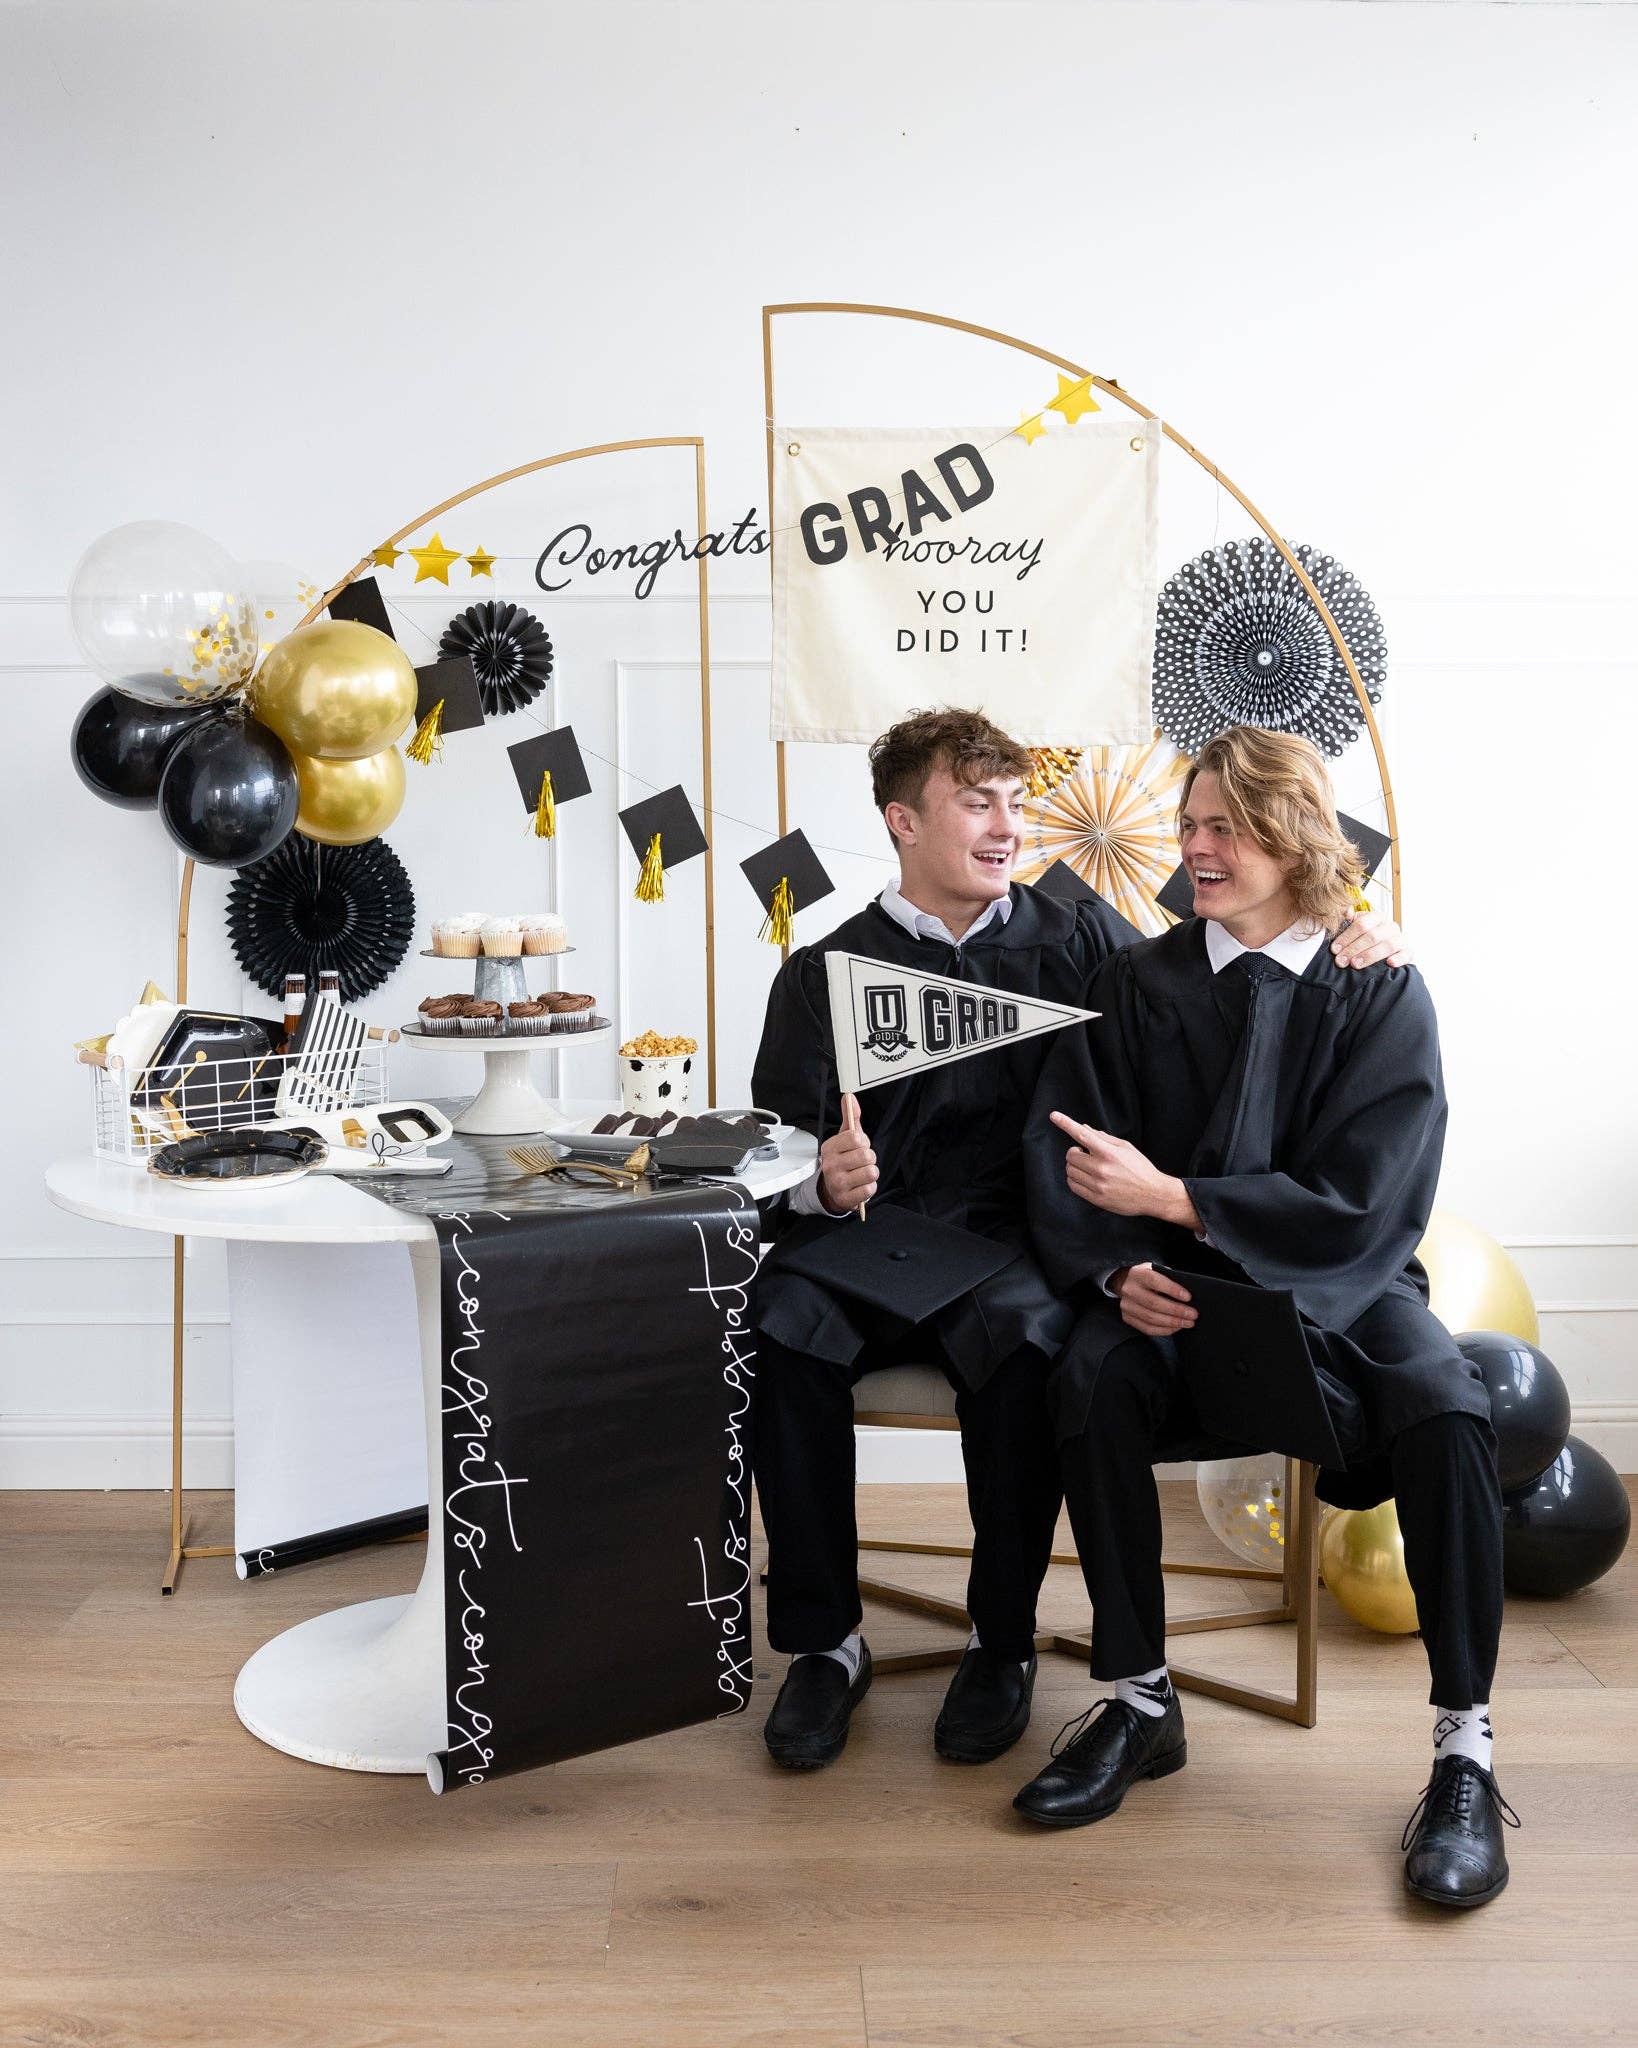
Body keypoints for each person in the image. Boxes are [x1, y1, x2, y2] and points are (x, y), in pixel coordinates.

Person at [749, 708, 1407, 1774]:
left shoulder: (1088, 942)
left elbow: (1231, 979)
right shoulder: (820, 973)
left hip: (1014, 1241)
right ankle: (825, 1643)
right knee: (780, 1330)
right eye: (978, 803)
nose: (1009, 826)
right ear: (903, 821)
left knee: (1027, 1350)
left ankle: (1000, 1641)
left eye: (1017, 802)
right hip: (866, 1236)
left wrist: (1364, 930)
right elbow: (776, 1150)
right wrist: (824, 1184)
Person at [1017, 725, 1515, 1908]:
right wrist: (1115, 1272)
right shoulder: (1137, 982)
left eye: (1224, 828)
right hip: (1171, 1281)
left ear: (1291, 839)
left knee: (1445, 1403)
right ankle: (1140, 1698)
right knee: (1092, 1376)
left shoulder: (1376, 986)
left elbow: (1370, 1195)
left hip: (1346, 1275)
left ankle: (1465, 1749)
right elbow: (1069, 1148)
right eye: (1189, 824)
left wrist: (1175, 1197)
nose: (1195, 847)